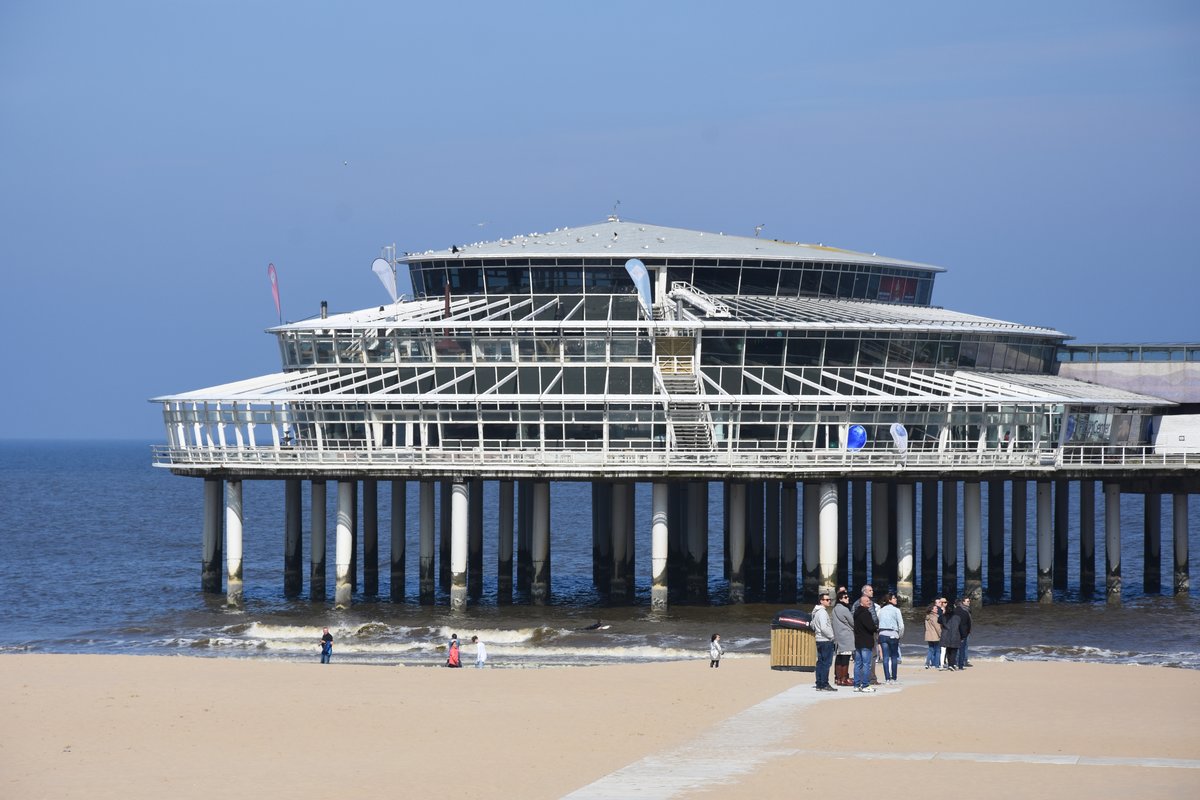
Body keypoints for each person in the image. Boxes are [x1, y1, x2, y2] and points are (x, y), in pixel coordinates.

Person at [811, 590, 837, 691]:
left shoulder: (815, 612)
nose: (829, 601)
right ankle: (824, 684)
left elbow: (813, 625)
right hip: (825, 640)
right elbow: (823, 628)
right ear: (821, 601)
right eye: (826, 600)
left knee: (821, 662)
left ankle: (819, 684)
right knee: (826, 663)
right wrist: (832, 636)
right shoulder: (822, 612)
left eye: (829, 599)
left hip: (819, 639)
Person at [852, 595, 878, 692]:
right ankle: (865, 685)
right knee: (866, 664)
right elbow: (870, 627)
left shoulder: (856, 613)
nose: (869, 602)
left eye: (869, 601)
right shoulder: (865, 613)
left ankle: (856, 684)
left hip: (858, 641)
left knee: (858, 663)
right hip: (865, 642)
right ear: (861, 603)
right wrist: (875, 628)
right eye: (867, 601)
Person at [877, 591, 904, 684]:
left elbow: (878, 621)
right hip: (893, 634)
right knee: (893, 657)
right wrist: (900, 635)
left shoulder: (880, 610)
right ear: (889, 600)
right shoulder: (896, 610)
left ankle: (887, 678)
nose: (896, 599)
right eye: (894, 598)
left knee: (885, 657)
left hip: (882, 634)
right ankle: (894, 678)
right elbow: (901, 625)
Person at [831, 588, 855, 686]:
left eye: (847, 596)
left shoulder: (834, 609)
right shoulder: (844, 609)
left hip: (838, 637)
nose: (847, 598)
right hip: (846, 636)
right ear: (840, 599)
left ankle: (838, 678)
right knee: (845, 659)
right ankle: (844, 679)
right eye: (845, 597)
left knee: (839, 658)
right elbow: (852, 622)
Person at [940, 601, 963, 671]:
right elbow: (960, 627)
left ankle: (950, 664)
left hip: (946, 635)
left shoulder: (943, 617)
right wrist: (962, 636)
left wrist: (943, 613)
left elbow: (939, 620)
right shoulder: (957, 617)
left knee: (948, 650)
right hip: (955, 635)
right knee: (954, 651)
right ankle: (952, 664)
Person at [924, 600, 943, 669]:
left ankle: (927, 663)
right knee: (938, 650)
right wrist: (941, 635)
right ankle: (936, 664)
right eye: (935, 608)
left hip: (929, 636)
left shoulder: (927, 616)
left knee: (930, 650)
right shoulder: (935, 617)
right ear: (932, 610)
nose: (937, 609)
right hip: (935, 636)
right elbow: (937, 627)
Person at [956, 597, 973, 668]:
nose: (969, 602)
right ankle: (961, 661)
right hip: (963, 631)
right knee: (962, 647)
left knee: (965, 646)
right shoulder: (963, 610)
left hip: (966, 630)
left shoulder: (967, 609)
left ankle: (964, 660)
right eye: (967, 601)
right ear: (963, 602)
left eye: (969, 601)